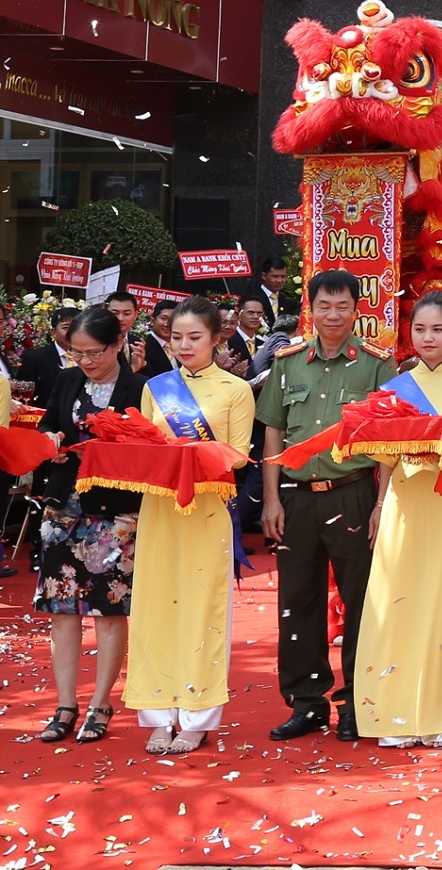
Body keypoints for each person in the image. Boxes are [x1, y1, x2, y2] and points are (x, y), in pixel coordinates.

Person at [257, 269, 397, 743]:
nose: (332, 316)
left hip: (354, 492)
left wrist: (382, 501)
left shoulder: (377, 364)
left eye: (342, 307)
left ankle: (357, 701)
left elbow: (387, 439)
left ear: (357, 309)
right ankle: (306, 703)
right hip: (296, 499)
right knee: (298, 601)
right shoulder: (288, 361)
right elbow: (273, 429)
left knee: (361, 600)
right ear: (310, 310)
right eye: (323, 307)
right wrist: (271, 498)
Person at [353, 292, 442, 748]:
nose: (428, 338)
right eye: (420, 329)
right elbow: (383, 458)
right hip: (403, 505)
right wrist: (378, 505)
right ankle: (394, 712)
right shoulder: (394, 387)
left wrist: (435, 445)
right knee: (398, 602)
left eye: (438, 329)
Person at [130, 297, 254, 753]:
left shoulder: (236, 390)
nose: (183, 345)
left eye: (194, 337)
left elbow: (239, 456)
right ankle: (158, 713)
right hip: (159, 508)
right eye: (176, 336)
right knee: (156, 608)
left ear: (216, 336)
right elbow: (144, 445)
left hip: (205, 507)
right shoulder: (155, 386)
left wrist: (190, 455)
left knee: (203, 609)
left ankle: (197, 715)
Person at [32, 308, 144, 746]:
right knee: (62, 611)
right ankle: (64, 705)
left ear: (118, 344)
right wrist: (53, 443)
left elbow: (151, 448)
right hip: (65, 508)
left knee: (108, 609)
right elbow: (48, 424)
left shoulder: (141, 388)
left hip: (115, 512)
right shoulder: (67, 380)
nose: (85, 361)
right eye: (76, 353)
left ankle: (100, 703)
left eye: (93, 352)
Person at [19, 307, 79, 406]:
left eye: (76, 327)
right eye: (66, 328)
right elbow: (23, 397)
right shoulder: (35, 358)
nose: (72, 333)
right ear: (53, 332)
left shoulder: (90, 356)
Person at [102, 291, 144, 373]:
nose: (120, 318)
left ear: (135, 315)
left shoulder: (138, 343)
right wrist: (133, 368)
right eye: (115, 313)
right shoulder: (98, 342)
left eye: (127, 313)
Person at [139, 302, 176, 380]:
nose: (167, 324)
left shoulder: (180, 347)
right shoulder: (144, 347)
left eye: (172, 319)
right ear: (152, 320)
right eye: (163, 318)